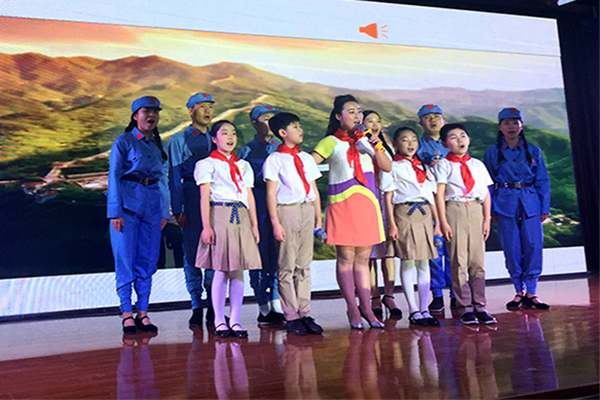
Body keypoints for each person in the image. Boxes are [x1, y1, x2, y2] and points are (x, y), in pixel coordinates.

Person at [311, 94, 391, 329]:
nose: (358, 116)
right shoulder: (330, 142)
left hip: (367, 203)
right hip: (342, 204)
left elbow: (387, 166)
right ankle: (352, 308)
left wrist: (375, 145)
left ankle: (367, 308)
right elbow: (307, 165)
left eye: (359, 111)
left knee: (363, 260)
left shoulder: (367, 141)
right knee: (346, 259)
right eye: (351, 111)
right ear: (338, 116)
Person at [107, 95, 170, 335]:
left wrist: (164, 211)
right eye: (146, 111)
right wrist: (115, 211)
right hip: (127, 207)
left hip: (152, 207)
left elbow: (162, 180)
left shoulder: (158, 145)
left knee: (148, 259)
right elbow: (114, 176)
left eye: (155, 111)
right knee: (125, 258)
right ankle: (126, 313)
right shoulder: (123, 141)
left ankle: (143, 312)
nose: (152, 115)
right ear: (135, 116)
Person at [194, 120, 261, 338]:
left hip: (241, 215)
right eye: (224, 133)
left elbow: (249, 196)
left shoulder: (244, 165)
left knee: (238, 269)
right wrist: (206, 226)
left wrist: (254, 225)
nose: (230, 137)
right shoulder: (207, 164)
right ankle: (219, 320)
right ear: (214, 139)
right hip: (220, 214)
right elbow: (204, 196)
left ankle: (235, 320)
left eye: (233, 133)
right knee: (221, 269)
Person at [484, 108, 551, 310]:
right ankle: (518, 290)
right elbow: (488, 182)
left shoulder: (533, 150)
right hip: (504, 202)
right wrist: (491, 209)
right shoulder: (492, 151)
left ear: (521, 126)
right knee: (512, 247)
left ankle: (532, 291)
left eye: (515, 122)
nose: (511, 127)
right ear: (500, 127)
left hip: (530, 201)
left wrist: (544, 207)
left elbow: (542, 180)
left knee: (533, 245)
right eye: (507, 123)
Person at [264, 112, 324, 336]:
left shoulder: (306, 158)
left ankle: (305, 312)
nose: (300, 130)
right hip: (287, 211)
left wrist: (318, 218)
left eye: (300, 126)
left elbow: (313, 189)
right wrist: (275, 223)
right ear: (282, 132)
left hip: (306, 209)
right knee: (287, 265)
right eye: (295, 127)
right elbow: (271, 193)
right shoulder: (275, 159)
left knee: (304, 265)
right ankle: (291, 315)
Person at [433, 123, 497, 326]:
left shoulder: (477, 164)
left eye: (463, 135)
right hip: (455, 208)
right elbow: (439, 194)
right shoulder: (443, 165)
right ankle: (465, 307)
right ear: (445, 143)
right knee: (458, 260)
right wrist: (443, 222)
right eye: (453, 137)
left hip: (476, 209)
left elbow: (485, 194)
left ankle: (481, 306)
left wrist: (487, 219)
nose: (459, 140)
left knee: (477, 262)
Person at [381, 127, 441, 326]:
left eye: (414, 139)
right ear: (396, 144)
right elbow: (388, 196)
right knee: (408, 261)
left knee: (424, 261)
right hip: (404, 213)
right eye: (405, 140)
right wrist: (391, 224)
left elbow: (432, 197)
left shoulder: (424, 167)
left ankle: (425, 309)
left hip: (424, 214)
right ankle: (413, 309)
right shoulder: (392, 166)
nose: (410, 144)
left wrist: (437, 224)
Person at [168, 92, 216, 328]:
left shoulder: (217, 137)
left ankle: (215, 304)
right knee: (193, 252)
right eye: (202, 106)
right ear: (190, 110)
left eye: (210, 107)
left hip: (217, 200)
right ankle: (196, 304)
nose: (207, 111)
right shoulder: (179, 140)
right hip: (191, 197)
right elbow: (174, 176)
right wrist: (178, 208)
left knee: (217, 252)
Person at [238, 105, 285, 324]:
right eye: (266, 119)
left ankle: (276, 301)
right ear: (255, 124)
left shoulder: (282, 148)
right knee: (257, 255)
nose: (270, 123)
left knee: (277, 254)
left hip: (279, 203)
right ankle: (262, 305)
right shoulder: (246, 150)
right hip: (256, 203)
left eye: (273, 118)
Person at [362, 110, 402, 319]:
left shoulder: (385, 148)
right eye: (370, 121)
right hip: (367, 200)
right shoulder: (359, 146)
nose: (375, 125)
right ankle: (374, 296)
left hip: (386, 201)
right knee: (370, 254)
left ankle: (389, 295)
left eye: (378, 121)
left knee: (389, 252)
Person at [416, 104, 455, 314]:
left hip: (452, 203)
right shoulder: (418, 146)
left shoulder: (452, 141)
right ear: (421, 122)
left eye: (436, 116)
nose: (432, 120)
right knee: (435, 251)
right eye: (427, 117)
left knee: (455, 251)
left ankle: (456, 293)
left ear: (443, 119)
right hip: (430, 205)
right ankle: (437, 294)